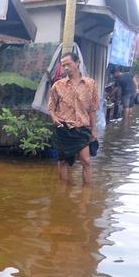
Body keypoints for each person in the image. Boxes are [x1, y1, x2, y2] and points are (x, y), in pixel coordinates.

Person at [48, 51, 99, 185]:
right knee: (62, 161)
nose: (66, 68)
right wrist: (53, 117)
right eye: (63, 65)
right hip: (63, 129)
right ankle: (62, 191)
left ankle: (86, 193)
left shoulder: (91, 84)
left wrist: (94, 130)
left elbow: (93, 109)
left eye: (68, 64)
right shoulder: (58, 85)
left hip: (82, 129)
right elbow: (51, 106)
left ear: (77, 63)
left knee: (86, 160)